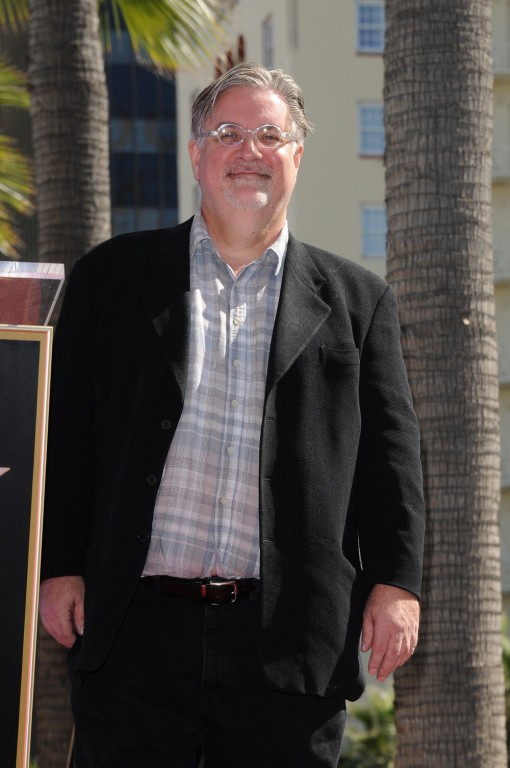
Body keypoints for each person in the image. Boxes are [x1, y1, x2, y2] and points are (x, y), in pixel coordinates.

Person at [39, 62, 425, 768]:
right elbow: (67, 438)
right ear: (196, 153)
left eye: (270, 135)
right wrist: (59, 564)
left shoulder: (360, 303)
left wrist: (397, 582)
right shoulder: (112, 279)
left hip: (286, 640)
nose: (249, 151)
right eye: (227, 132)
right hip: (134, 634)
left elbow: (390, 459)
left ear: (297, 157)